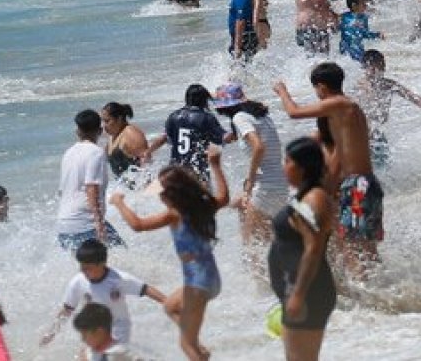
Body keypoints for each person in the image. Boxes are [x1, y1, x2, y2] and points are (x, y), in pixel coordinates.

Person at [110, 146, 230, 361]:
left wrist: (119, 203)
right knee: (170, 306)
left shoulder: (175, 214)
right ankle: (199, 349)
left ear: (172, 194)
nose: (159, 197)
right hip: (210, 280)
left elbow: (137, 225)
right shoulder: (203, 206)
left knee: (186, 346)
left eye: (162, 193)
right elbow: (224, 197)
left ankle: (198, 351)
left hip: (197, 285)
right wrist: (215, 165)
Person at [275, 62, 383, 267]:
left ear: (322, 87)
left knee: (353, 248)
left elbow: (294, 112)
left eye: (315, 89)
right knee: (366, 250)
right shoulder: (350, 110)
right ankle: (377, 291)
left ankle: (366, 292)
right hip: (366, 184)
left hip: (357, 186)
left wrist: (282, 91)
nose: (317, 94)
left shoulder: (339, 104)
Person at [270, 136, 338, 359]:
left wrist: (298, 294)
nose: (283, 167)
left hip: (308, 291)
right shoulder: (306, 196)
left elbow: (313, 248)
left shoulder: (314, 199)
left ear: (302, 167)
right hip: (300, 288)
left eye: (287, 161)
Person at [40, 238, 167, 351]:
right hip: (92, 330)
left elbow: (146, 289)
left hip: (119, 327)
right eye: (81, 266)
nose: (82, 270)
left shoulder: (119, 278)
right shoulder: (77, 282)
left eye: (87, 267)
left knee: (115, 356)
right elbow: (67, 310)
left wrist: (170, 303)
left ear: (102, 264)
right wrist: (51, 333)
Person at [213, 83, 288, 252]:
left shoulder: (240, 118)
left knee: (251, 248)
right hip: (279, 184)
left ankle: (258, 278)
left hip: (265, 187)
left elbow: (258, 147)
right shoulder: (260, 116)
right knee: (267, 244)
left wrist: (250, 182)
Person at [58, 109, 122, 251]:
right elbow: (91, 187)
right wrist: (99, 223)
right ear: (100, 131)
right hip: (86, 225)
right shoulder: (96, 152)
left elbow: (62, 191)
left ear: (77, 131)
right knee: (122, 257)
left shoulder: (68, 153)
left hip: (64, 225)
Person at [147, 84, 229, 182]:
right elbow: (223, 138)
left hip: (175, 170)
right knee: (202, 196)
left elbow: (165, 137)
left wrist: (148, 151)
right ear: (203, 100)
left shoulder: (174, 116)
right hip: (197, 171)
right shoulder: (207, 118)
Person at [101, 102, 150, 179]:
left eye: (107, 121)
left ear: (119, 119)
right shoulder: (112, 137)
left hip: (137, 187)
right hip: (123, 187)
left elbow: (146, 161)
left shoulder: (131, 133)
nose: (104, 125)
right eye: (103, 121)